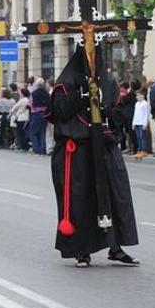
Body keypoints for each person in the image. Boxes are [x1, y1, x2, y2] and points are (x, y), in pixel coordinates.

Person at [44, 18, 139, 268]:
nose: (92, 56)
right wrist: (82, 93)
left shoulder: (109, 83)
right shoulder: (67, 82)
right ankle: (81, 250)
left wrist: (114, 111)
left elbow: (117, 116)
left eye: (94, 51)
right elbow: (61, 113)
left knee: (115, 197)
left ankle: (115, 246)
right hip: (77, 152)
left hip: (106, 148)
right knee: (81, 200)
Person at [28, 79, 49, 155]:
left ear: (36, 85)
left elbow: (30, 104)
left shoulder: (33, 93)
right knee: (42, 132)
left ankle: (36, 149)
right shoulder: (46, 93)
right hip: (45, 113)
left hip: (36, 113)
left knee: (33, 132)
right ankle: (42, 149)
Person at [132, 89, 151, 157]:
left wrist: (145, 124)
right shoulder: (136, 104)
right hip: (136, 122)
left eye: (138, 95)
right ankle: (139, 150)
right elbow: (135, 114)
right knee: (138, 137)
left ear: (142, 96)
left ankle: (144, 150)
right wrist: (133, 123)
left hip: (142, 123)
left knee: (142, 137)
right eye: (136, 96)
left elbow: (146, 114)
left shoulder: (145, 104)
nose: (137, 97)